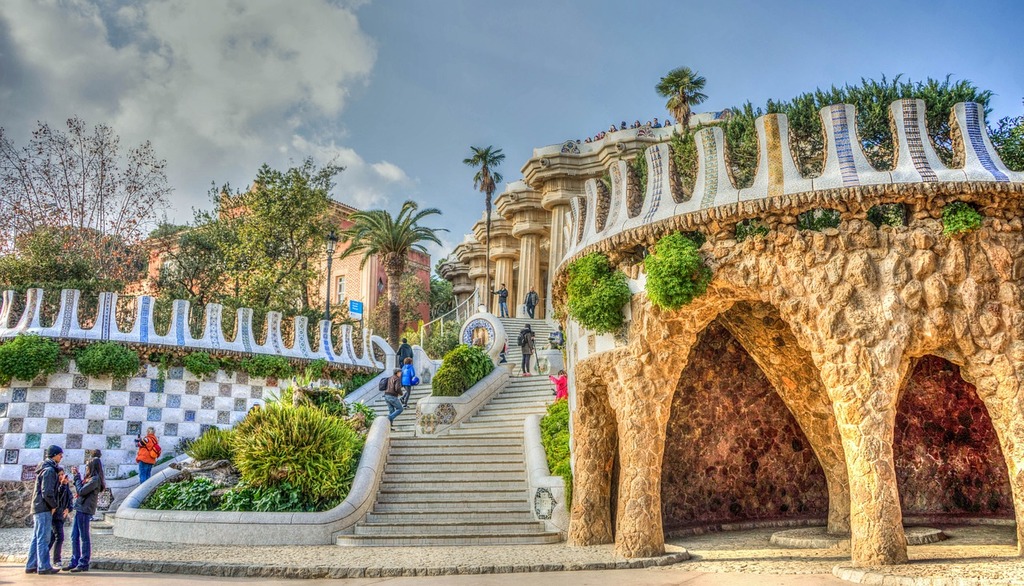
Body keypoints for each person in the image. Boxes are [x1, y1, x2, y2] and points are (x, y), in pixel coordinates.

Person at [26, 445, 62, 574]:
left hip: (38, 506)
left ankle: (31, 565)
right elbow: (47, 492)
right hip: (43, 507)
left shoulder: (44, 468)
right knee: (43, 538)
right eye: (60, 455)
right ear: (54, 455)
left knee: (37, 537)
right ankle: (44, 566)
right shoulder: (49, 470)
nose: (61, 457)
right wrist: (54, 505)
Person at [67, 452, 104, 573]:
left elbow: (81, 491)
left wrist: (77, 477)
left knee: (84, 537)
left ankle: (83, 562)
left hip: (85, 509)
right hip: (80, 508)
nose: (86, 468)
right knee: (74, 536)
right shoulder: (91, 479)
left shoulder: (95, 480)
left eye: (88, 466)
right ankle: (75, 560)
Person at [48, 467, 72, 568]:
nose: (62, 477)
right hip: (55, 516)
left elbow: (70, 499)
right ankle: (56, 560)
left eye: (63, 474)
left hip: (61, 516)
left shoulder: (66, 487)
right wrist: (62, 485)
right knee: (59, 537)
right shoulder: (56, 486)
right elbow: (58, 496)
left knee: (52, 537)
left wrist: (68, 509)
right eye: (60, 475)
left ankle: (41, 556)